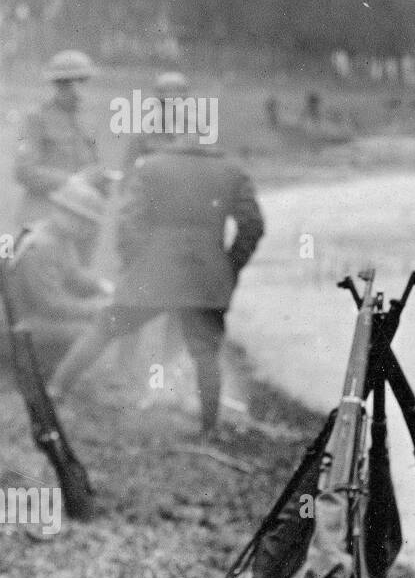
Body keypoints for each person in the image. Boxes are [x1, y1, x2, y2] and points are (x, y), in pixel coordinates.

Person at [48, 131, 265, 437]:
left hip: (153, 271)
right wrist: (229, 266)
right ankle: (209, 429)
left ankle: (55, 392)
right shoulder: (232, 171)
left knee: (104, 327)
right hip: (206, 277)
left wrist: (135, 261)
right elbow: (253, 226)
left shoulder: (151, 166)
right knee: (205, 354)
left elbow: (128, 220)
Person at [4, 177, 112, 374]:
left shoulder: (59, 237)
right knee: (87, 332)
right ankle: (38, 374)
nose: (87, 228)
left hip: (26, 315)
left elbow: (73, 274)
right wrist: (95, 308)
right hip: (14, 325)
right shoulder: (41, 246)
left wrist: (99, 285)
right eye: (82, 220)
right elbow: (50, 305)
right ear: (60, 211)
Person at [13, 50, 100, 229]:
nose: (81, 90)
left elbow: (90, 162)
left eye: (84, 82)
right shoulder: (37, 118)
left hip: (80, 218)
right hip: (45, 217)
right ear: (61, 85)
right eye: (78, 82)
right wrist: (70, 181)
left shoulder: (85, 118)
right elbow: (24, 171)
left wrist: (98, 176)